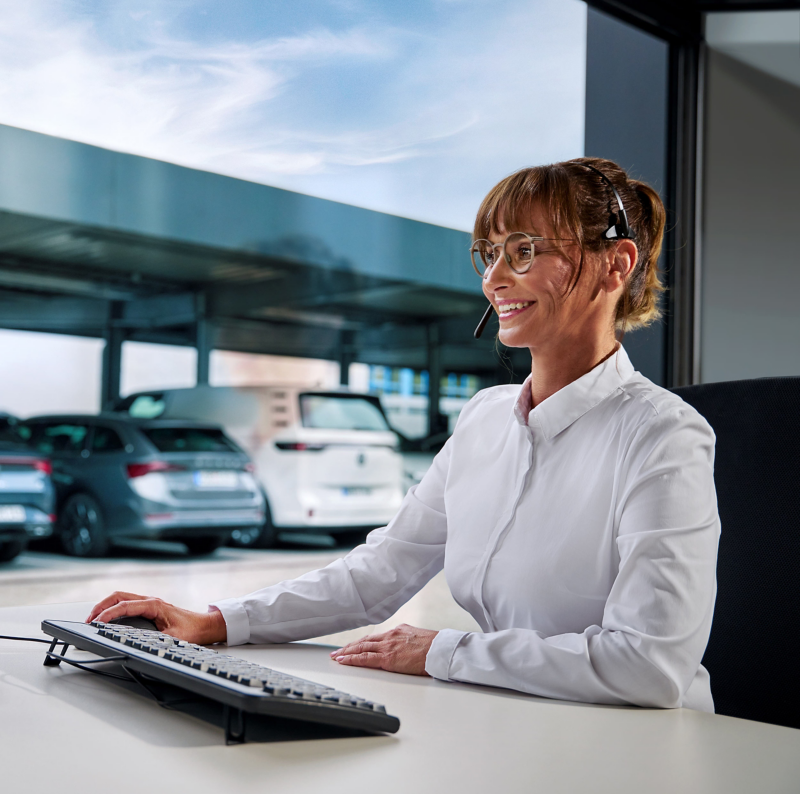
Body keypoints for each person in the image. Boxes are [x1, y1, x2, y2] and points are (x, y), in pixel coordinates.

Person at [88, 158, 721, 711]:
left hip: (644, 752)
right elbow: (378, 574)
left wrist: (443, 650)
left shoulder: (662, 434)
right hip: (520, 723)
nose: (495, 277)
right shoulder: (484, 419)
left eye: (525, 250)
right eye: (489, 253)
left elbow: (648, 666)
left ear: (616, 264)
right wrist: (216, 622)